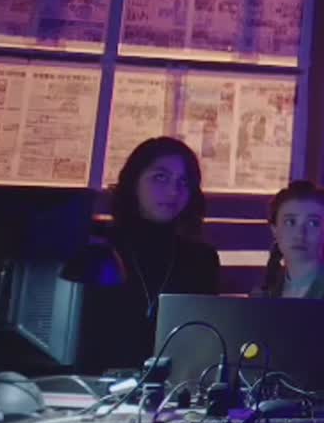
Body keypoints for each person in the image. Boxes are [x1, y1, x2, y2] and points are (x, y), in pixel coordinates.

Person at [80, 137, 220, 372]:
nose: (173, 191)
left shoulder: (202, 260)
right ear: (133, 182)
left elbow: (203, 343)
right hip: (94, 381)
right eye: (160, 177)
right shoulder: (99, 248)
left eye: (183, 182)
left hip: (173, 385)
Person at [252, 180, 324, 301]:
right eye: (290, 222)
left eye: (313, 223)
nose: (300, 234)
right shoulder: (264, 292)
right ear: (274, 230)